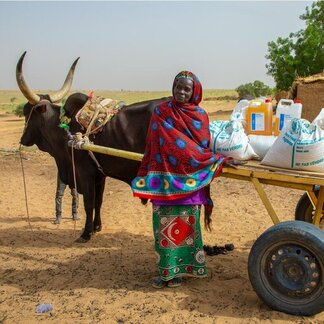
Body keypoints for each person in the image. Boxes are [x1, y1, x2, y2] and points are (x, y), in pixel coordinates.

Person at [131, 71, 228, 288]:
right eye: (178, 87)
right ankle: (168, 273)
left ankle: (187, 270)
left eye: (187, 89)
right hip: (165, 183)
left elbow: (199, 148)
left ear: (195, 92)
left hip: (190, 184)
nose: (181, 92)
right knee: (164, 230)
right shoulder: (161, 112)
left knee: (187, 230)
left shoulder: (200, 116)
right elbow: (152, 145)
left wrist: (214, 160)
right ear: (172, 87)